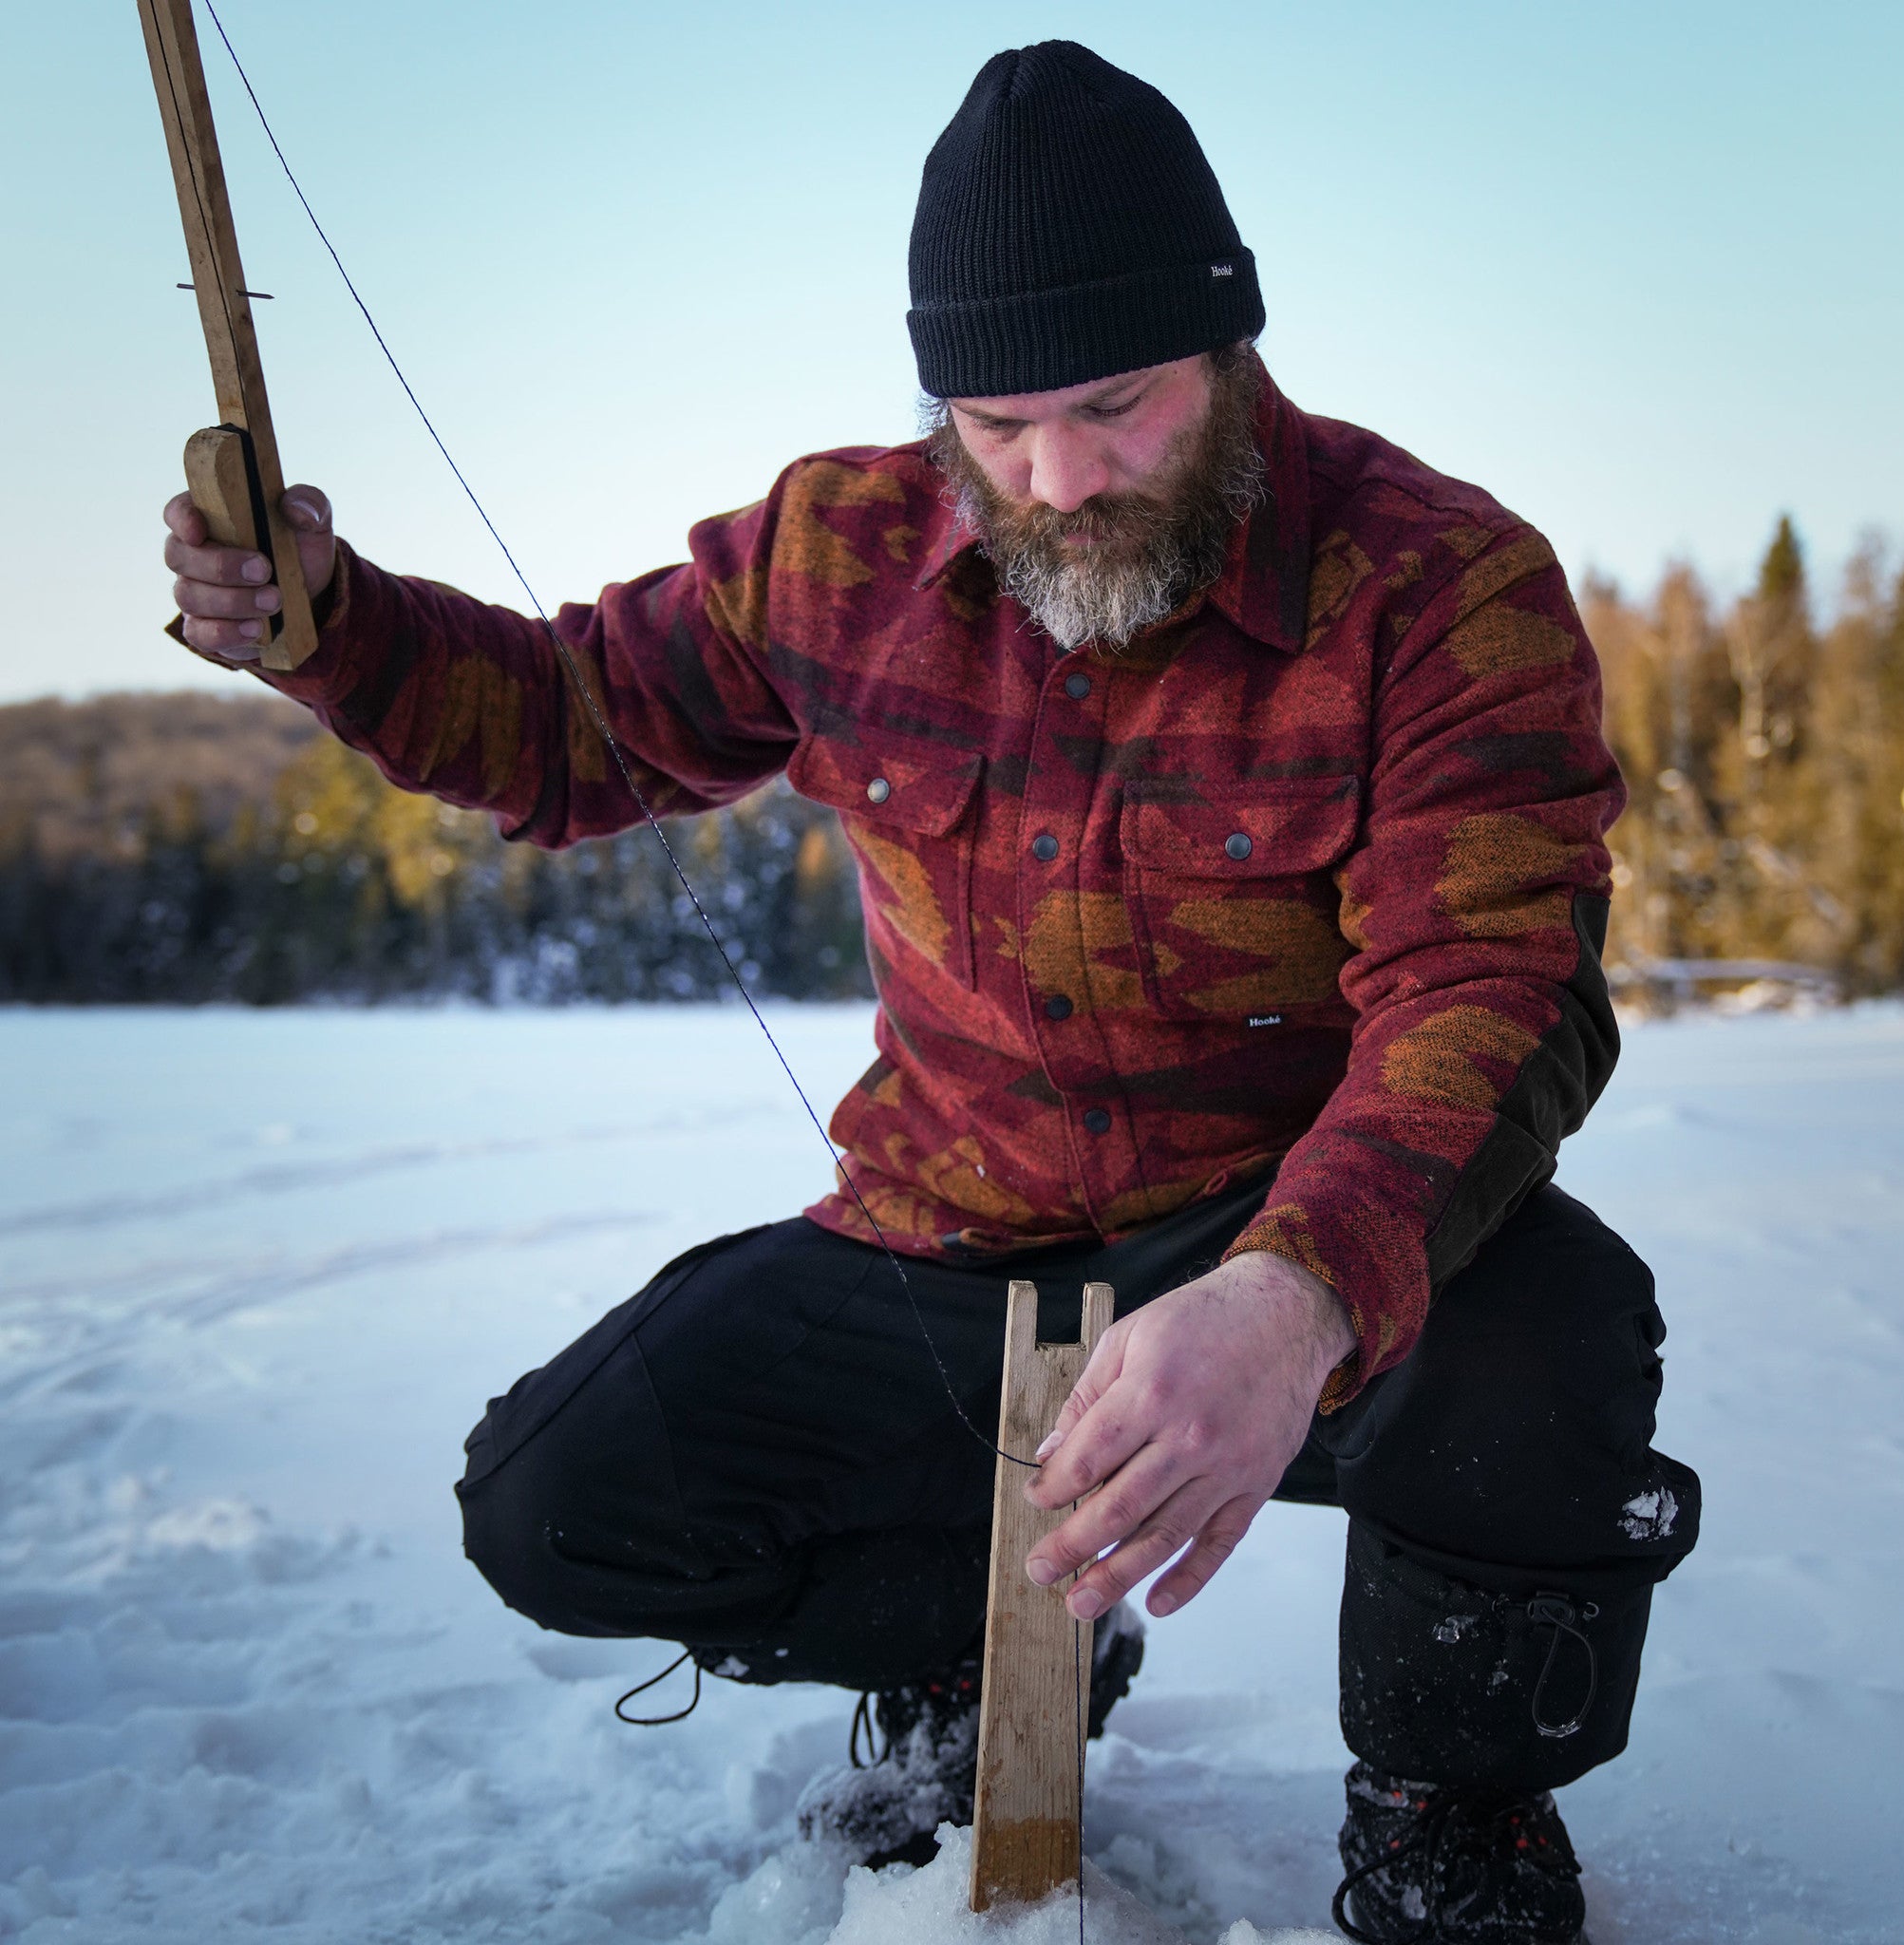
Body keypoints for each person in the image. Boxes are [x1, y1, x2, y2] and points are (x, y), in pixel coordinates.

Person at [160, 41, 1700, 1944]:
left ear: (1228, 346)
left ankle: (1443, 1808)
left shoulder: (1438, 586)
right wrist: (335, 621)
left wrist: (1287, 1297)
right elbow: (570, 726)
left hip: (1263, 1231)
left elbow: (1492, 985)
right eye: (997, 419)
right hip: (944, 1244)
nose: (1058, 480)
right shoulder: (836, 552)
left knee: (1547, 1334)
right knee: (562, 1497)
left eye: (1118, 407)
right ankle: (993, 1659)